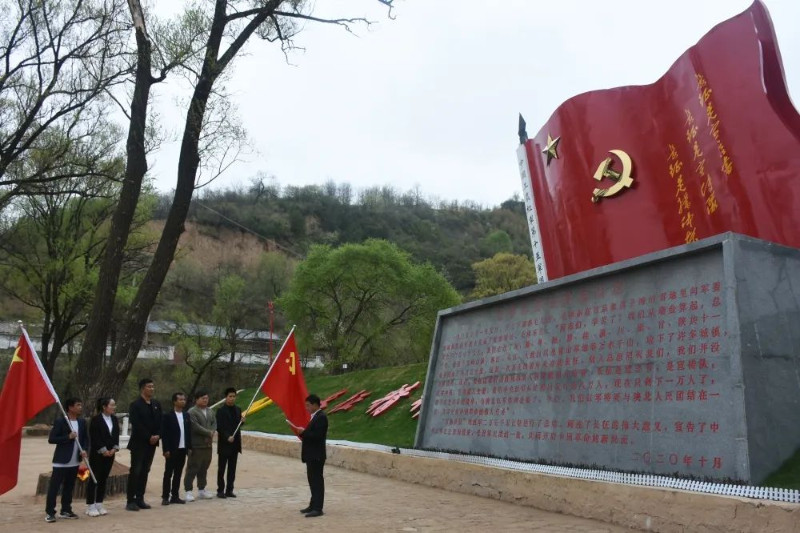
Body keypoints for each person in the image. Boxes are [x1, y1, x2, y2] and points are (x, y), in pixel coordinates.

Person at [45, 397, 89, 523]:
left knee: (69, 487)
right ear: (70, 407)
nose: (80, 407)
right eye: (78, 405)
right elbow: (52, 439)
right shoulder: (61, 421)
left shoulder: (82, 422)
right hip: (61, 461)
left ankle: (66, 510)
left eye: (81, 405)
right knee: (54, 487)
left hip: (75, 460)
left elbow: (85, 439)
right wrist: (68, 437)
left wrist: (85, 449)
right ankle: (50, 512)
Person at [288, 394, 328, 518]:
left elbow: (318, 436)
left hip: (316, 455)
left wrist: (304, 432)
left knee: (317, 481)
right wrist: (302, 432)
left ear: (315, 404)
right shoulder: (314, 417)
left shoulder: (321, 417)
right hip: (311, 454)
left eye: (308, 405)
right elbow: (311, 434)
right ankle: (313, 504)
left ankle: (318, 508)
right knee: (312, 480)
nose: (307, 408)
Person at [126, 378, 162, 511]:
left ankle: (140, 498)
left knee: (145, 470)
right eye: (149, 386)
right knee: (136, 471)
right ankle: (130, 500)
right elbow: (136, 423)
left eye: (153, 386)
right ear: (142, 388)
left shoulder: (156, 404)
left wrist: (158, 435)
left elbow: (160, 421)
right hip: (139, 443)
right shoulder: (135, 405)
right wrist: (148, 436)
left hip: (152, 443)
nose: (152, 389)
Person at [85, 397, 120, 517]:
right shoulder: (96, 420)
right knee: (94, 479)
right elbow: (94, 437)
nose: (114, 407)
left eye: (114, 405)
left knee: (103, 479)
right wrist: (103, 450)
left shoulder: (114, 419)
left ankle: (99, 503)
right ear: (104, 407)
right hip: (98, 454)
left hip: (110, 454)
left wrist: (114, 448)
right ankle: (90, 504)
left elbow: (116, 435)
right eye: (112, 405)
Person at [184, 390, 216, 502]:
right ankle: (188, 491)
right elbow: (195, 426)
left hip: (207, 445)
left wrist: (212, 431)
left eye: (207, 398)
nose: (205, 400)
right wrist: (208, 433)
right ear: (196, 399)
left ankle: (202, 489)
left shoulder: (210, 411)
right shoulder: (191, 412)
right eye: (203, 398)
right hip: (196, 445)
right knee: (193, 468)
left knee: (204, 468)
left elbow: (214, 423)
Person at [161, 392, 192, 505]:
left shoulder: (186, 415)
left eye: (184, 399)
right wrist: (166, 449)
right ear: (174, 401)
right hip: (172, 449)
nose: (183, 401)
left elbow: (188, 432)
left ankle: (175, 496)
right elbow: (165, 434)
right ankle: (165, 496)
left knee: (178, 473)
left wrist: (189, 447)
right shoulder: (168, 416)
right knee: (168, 473)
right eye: (180, 399)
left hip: (183, 449)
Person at [215, 387, 245, 498]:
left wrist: (242, 422)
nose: (232, 399)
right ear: (226, 397)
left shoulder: (238, 409)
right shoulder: (220, 411)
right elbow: (220, 427)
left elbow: (237, 425)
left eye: (233, 396)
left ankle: (229, 489)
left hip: (235, 444)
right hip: (224, 444)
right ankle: (220, 490)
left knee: (232, 469)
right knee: (222, 468)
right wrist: (227, 437)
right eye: (230, 396)